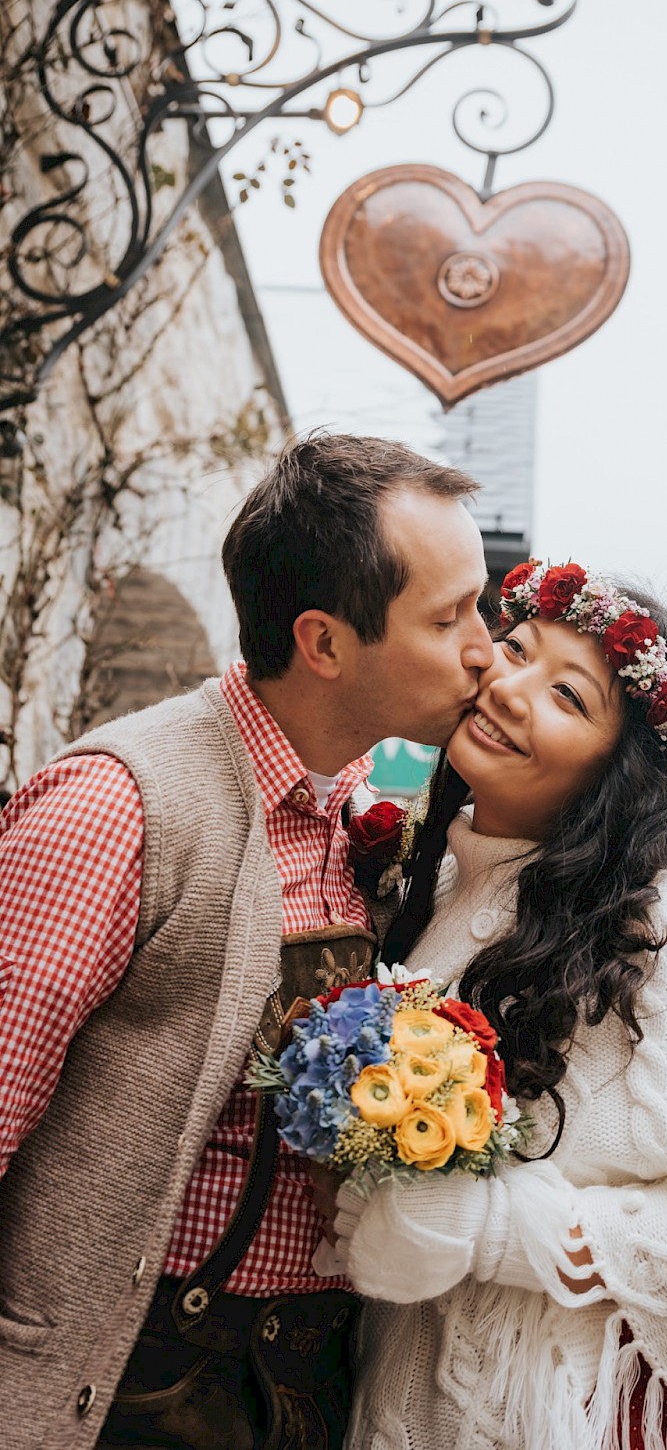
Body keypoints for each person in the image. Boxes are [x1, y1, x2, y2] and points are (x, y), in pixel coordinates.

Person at [0, 432, 494, 1450]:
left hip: (306, 1384)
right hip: (128, 1380)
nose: (486, 646)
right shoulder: (113, 807)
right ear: (323, 641)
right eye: (449, 617)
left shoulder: (365, 819)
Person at [328, 560, 667, 1450]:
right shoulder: (427, 881)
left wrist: (498, 1228)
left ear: (622, 769)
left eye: (567, 695)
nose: (510, 689)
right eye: (513, 649)